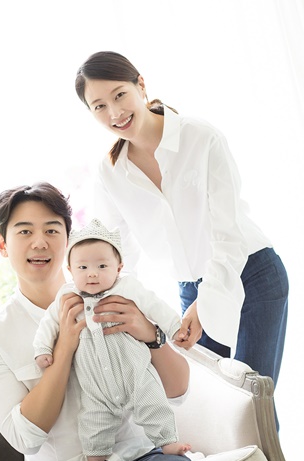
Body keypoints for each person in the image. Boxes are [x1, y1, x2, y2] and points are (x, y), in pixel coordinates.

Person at [0, 182, 212, 461]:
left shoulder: (120, 294)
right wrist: (64, 347)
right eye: (25, 232)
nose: (40, 242)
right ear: (3, 244)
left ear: (67, 242)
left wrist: (150, 334)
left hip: (135, 459)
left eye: (52, 230)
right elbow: (25, 437)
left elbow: (178, 392)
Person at [75, 51, 289, 413]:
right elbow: (117, 253)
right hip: (190, 288)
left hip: (251, 273)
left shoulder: (200, 137)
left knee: (252, 406)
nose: (114, 113)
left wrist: (206, 304)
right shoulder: (109, 172)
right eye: (99, 106)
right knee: (211, 408)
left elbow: (228, 233)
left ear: (140, 85)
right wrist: (117, 307)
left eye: (119, 95)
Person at [34, 217, 191, 461]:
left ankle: (168, 442)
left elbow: (155, 306)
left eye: (102, 266)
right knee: (92, 420)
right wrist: (42, 349)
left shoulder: (127, 288)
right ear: (70, 270)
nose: (92, 273)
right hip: (96, 386)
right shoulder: (67, 297)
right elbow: (48, 324)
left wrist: (175, 328)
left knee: (153, 405)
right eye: (83, 267)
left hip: (135, 373)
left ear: (119, 267)